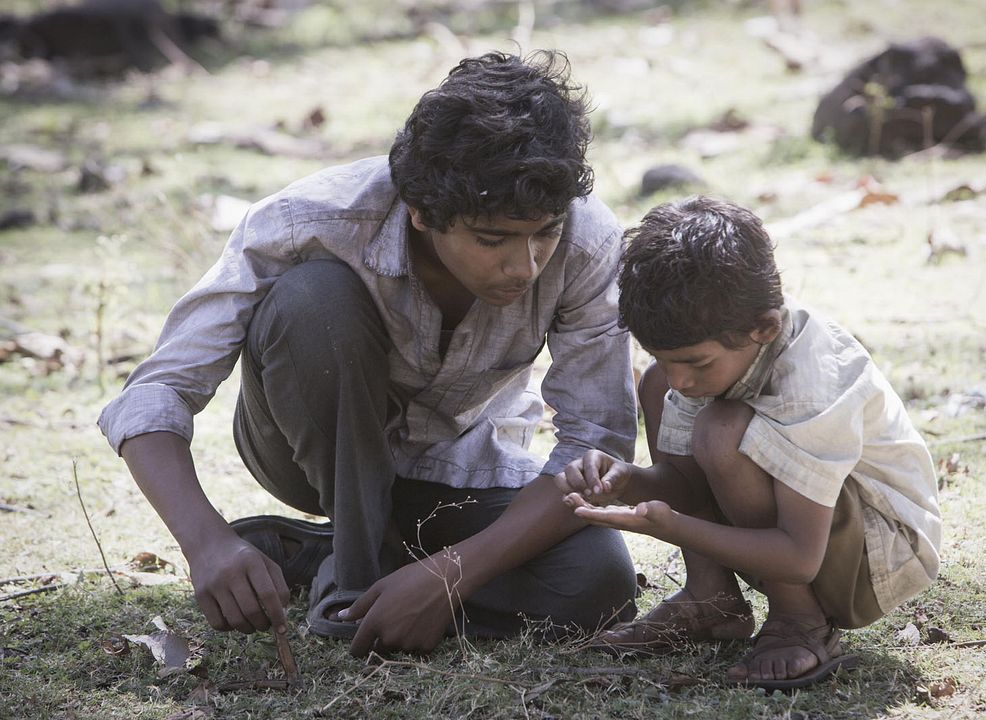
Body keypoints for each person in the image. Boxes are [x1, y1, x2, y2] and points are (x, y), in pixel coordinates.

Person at [98, 50, 639, 656]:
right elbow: (155, 392)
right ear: (421, 211)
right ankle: (353, 579)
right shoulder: (311, 220)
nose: (526, 265)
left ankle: (324, 560)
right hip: (304, 451)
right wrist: (207, 542)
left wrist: (447, 575)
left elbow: (595, 443)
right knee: (314, 300)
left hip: (458, 469)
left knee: (600, 585)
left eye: (544, 233)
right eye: (493, 239)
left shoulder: (589, 241)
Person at [555, 196, 941, 690]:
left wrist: (670, 527)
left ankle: (798, 620)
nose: (681, 379)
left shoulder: (812, 385)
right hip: (802, 537)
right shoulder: (709, 357)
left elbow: (799, 556)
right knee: (655, 385)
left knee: (722, 430)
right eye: (665, 356)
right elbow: (686, 488)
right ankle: (711, 601)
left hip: (877, 555)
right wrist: (624, 481)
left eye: (695, 363)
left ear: (765, 328)